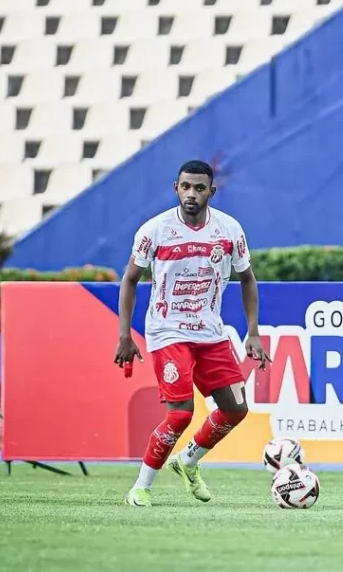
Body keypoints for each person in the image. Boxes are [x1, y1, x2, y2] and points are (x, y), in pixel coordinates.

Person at [115, 159, 271, 507]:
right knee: (181, 414)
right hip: (167, 331)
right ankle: (140, 488)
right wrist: (124, 334)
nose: (191, 194)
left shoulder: (229, 231)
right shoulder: (154, 230)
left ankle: (187, 461)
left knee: (236, 409)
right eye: (185, 186)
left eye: (199, 188)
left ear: (210, 192)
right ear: (176, 188)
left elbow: (247, 278)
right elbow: (129, 279)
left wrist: (254, 333)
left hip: (210, 333)